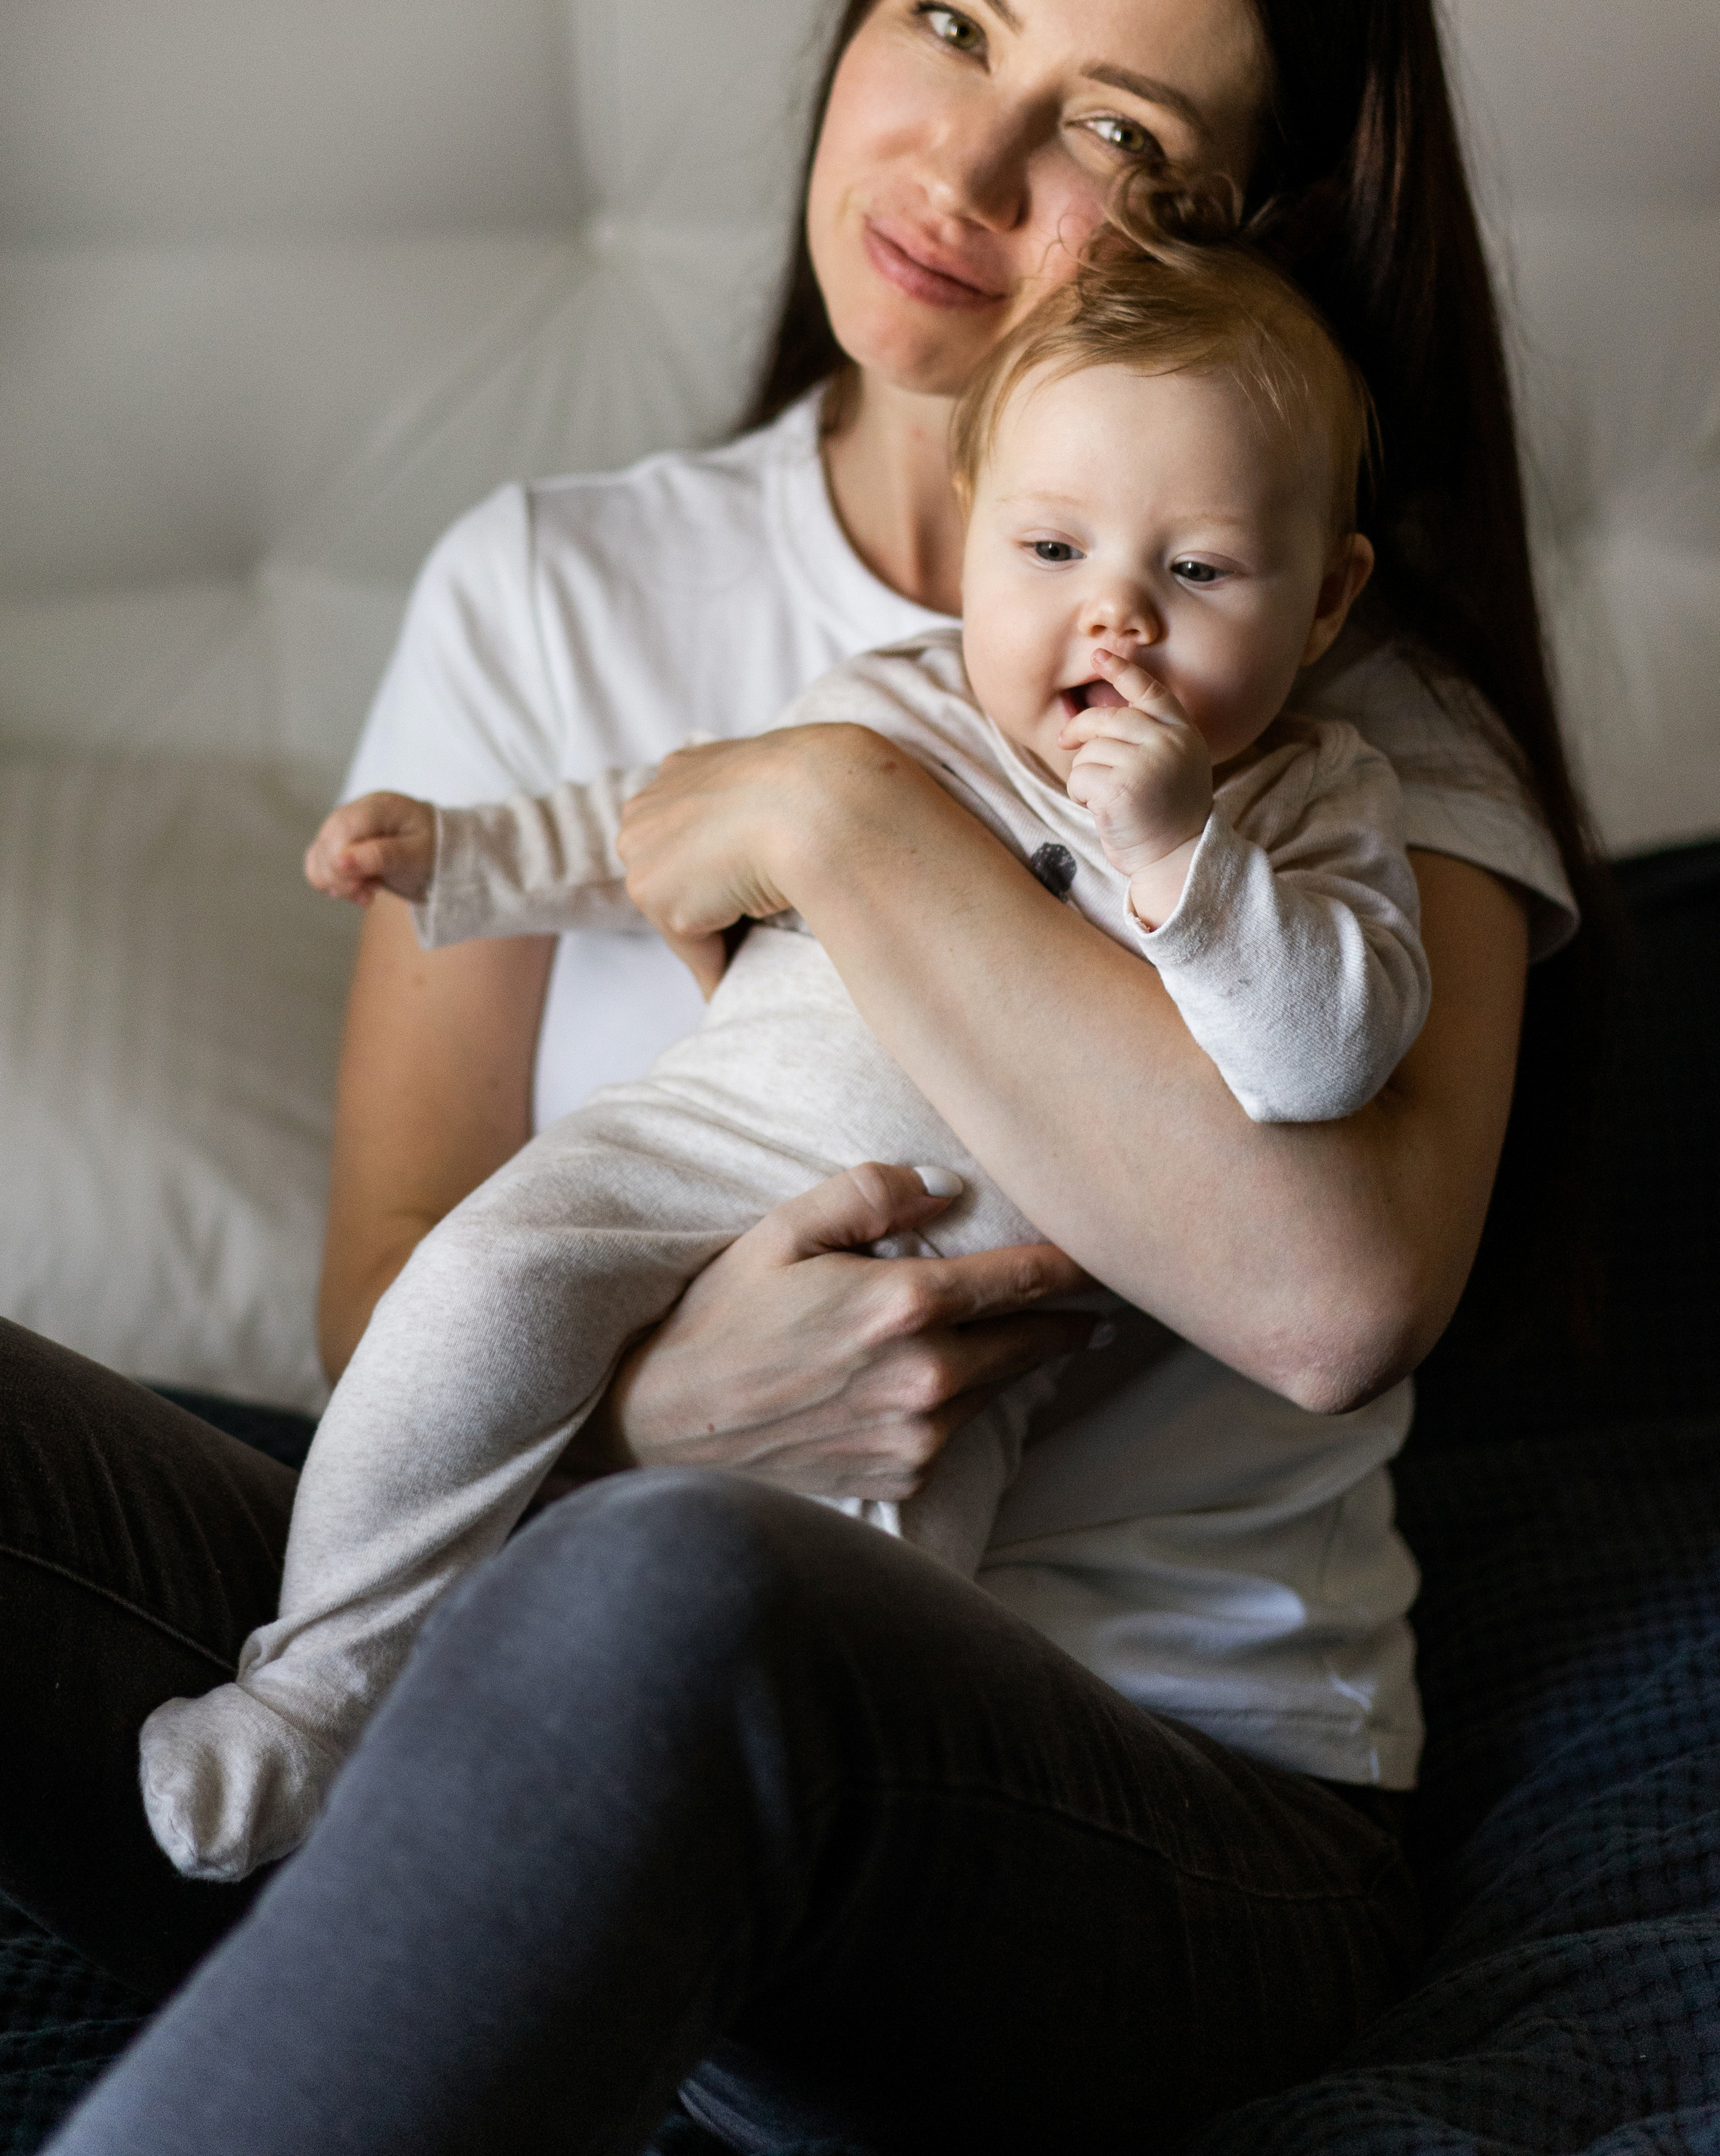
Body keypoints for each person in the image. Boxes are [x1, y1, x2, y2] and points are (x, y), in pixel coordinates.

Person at [16, 0, 1592, 2154]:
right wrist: (661, 1423)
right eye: (951, 20)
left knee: (670, 1600)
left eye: (1113, 130)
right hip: (527, 1576)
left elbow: (1337, 1293)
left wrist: (843, 814)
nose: (962, 163)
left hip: (1155, 1785)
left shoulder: (1334, 713)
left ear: (1245, 228)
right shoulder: (555, 585)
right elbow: (393, 1286)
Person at [139, 242, 1433, 1887]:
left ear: (1323, 596)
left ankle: (642, 1885)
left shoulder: (1317, 806)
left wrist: (1183, 856)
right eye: (1049, 548)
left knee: (823, 1634)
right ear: (973, 534)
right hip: (693, 1147)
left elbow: (1325, 1055)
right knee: (472, 1288)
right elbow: (660, 820)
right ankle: (316, 1695)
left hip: (952, 1317)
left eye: (1198, 568)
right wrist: (465, 854)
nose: (1114, 613)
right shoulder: (889, 707)